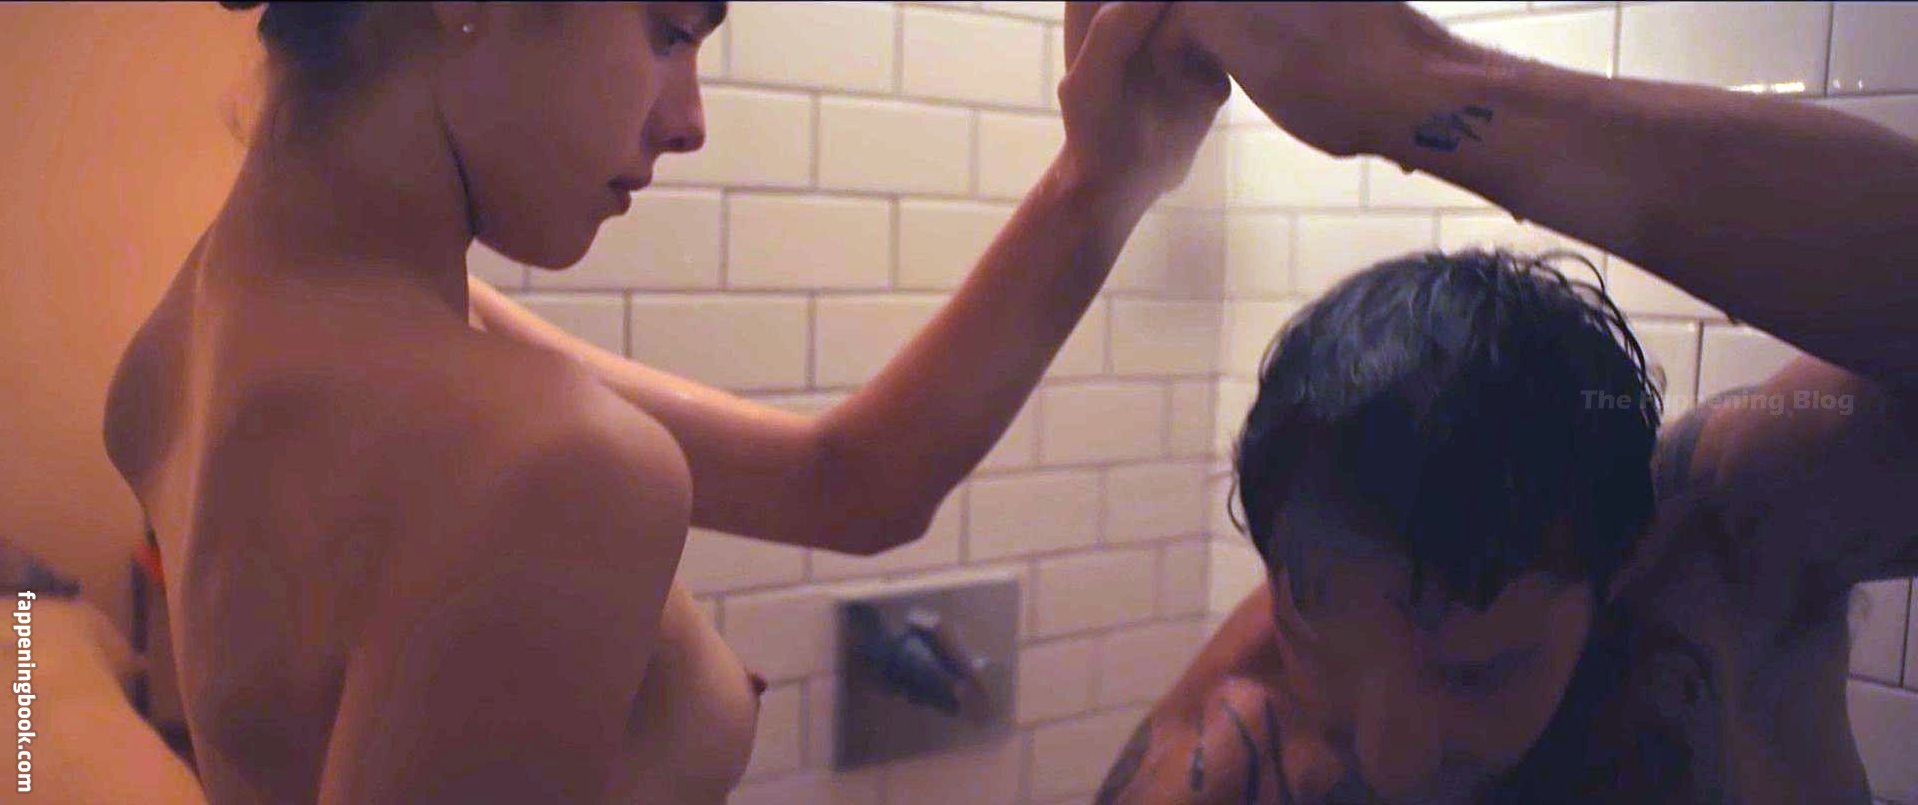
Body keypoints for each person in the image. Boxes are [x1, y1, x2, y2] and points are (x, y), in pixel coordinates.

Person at [101, 2, 1226, 802]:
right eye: (670, 30)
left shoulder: (187, 337)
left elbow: (848, 485)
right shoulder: (543, 463)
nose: (687, 120)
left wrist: (1106, 171)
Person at [1092, 2, 1916, 803]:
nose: (1392, 762)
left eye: (1479, 671)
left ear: (1614, 564)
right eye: (1317, 645)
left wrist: (1408, 86)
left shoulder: (1727, 544)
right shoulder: (1235, 740)